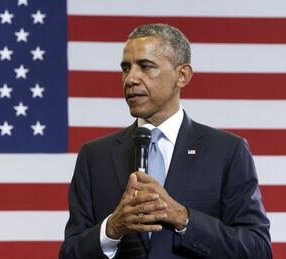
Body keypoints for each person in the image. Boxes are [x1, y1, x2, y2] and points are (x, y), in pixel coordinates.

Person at [59, 24, 272, 258]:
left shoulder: (227, 151)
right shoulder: (94, 156)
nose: (131, 79)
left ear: (182, 75)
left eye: (145, 67)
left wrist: (183, 217)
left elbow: (257, 250)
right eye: (126, 68)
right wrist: (112, 229)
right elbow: (70, 253)